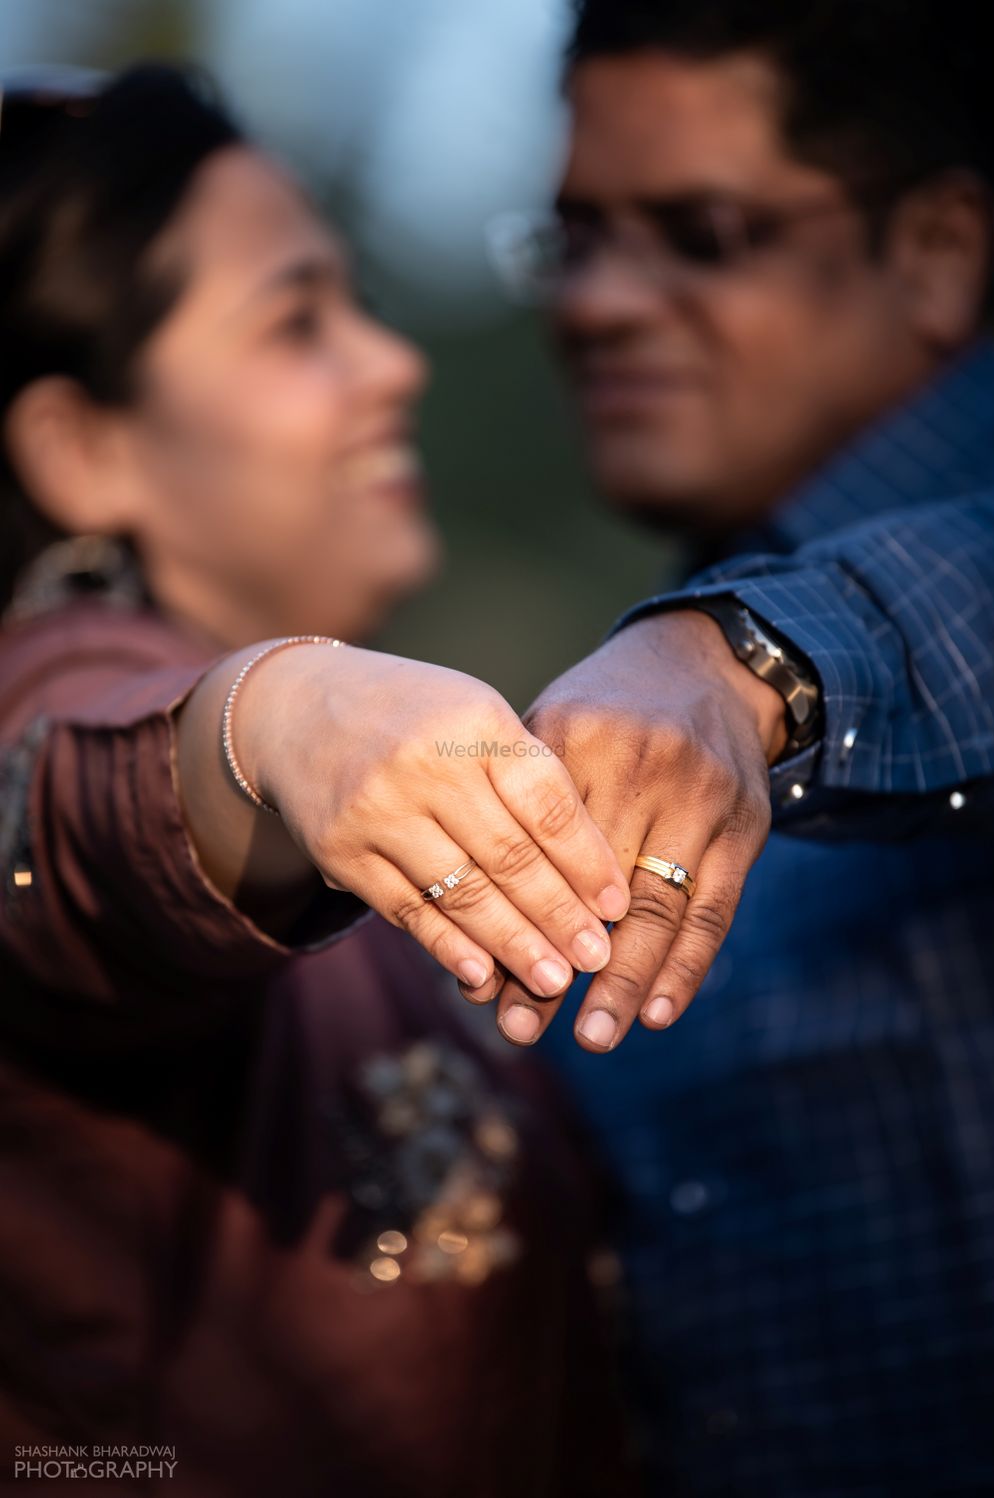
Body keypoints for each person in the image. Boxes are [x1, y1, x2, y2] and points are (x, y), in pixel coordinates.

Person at [0, 65, 637, 1497]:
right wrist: (279, 712)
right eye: (298, 321)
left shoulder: (359, 841)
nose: (393, 363)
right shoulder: (50, 681)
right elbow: (74, 821)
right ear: (84, 447)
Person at [475, 1, 994, 1492]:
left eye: (700, 232)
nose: (596, 303)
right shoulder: (646, 669)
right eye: (576, 237)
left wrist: (755, 662)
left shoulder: (738, 658)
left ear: (939, 252)